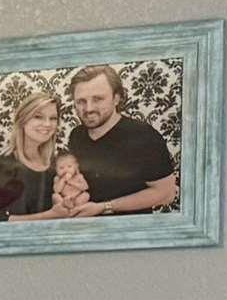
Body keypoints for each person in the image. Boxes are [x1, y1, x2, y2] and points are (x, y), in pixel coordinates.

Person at [56, 64, 180, 216]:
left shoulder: (144, 136)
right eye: (81, 101)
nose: (88, 109)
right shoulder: (77, 135)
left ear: (116, 98)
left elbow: (166, 193)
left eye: (97, 99)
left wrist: (105, 207)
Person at [0, 86, 69, 220]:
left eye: (53, 118)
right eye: (38, 117)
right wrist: (50, 216)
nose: (47, 124)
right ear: (22, 120)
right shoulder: (5, 165)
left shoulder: (56, 164)